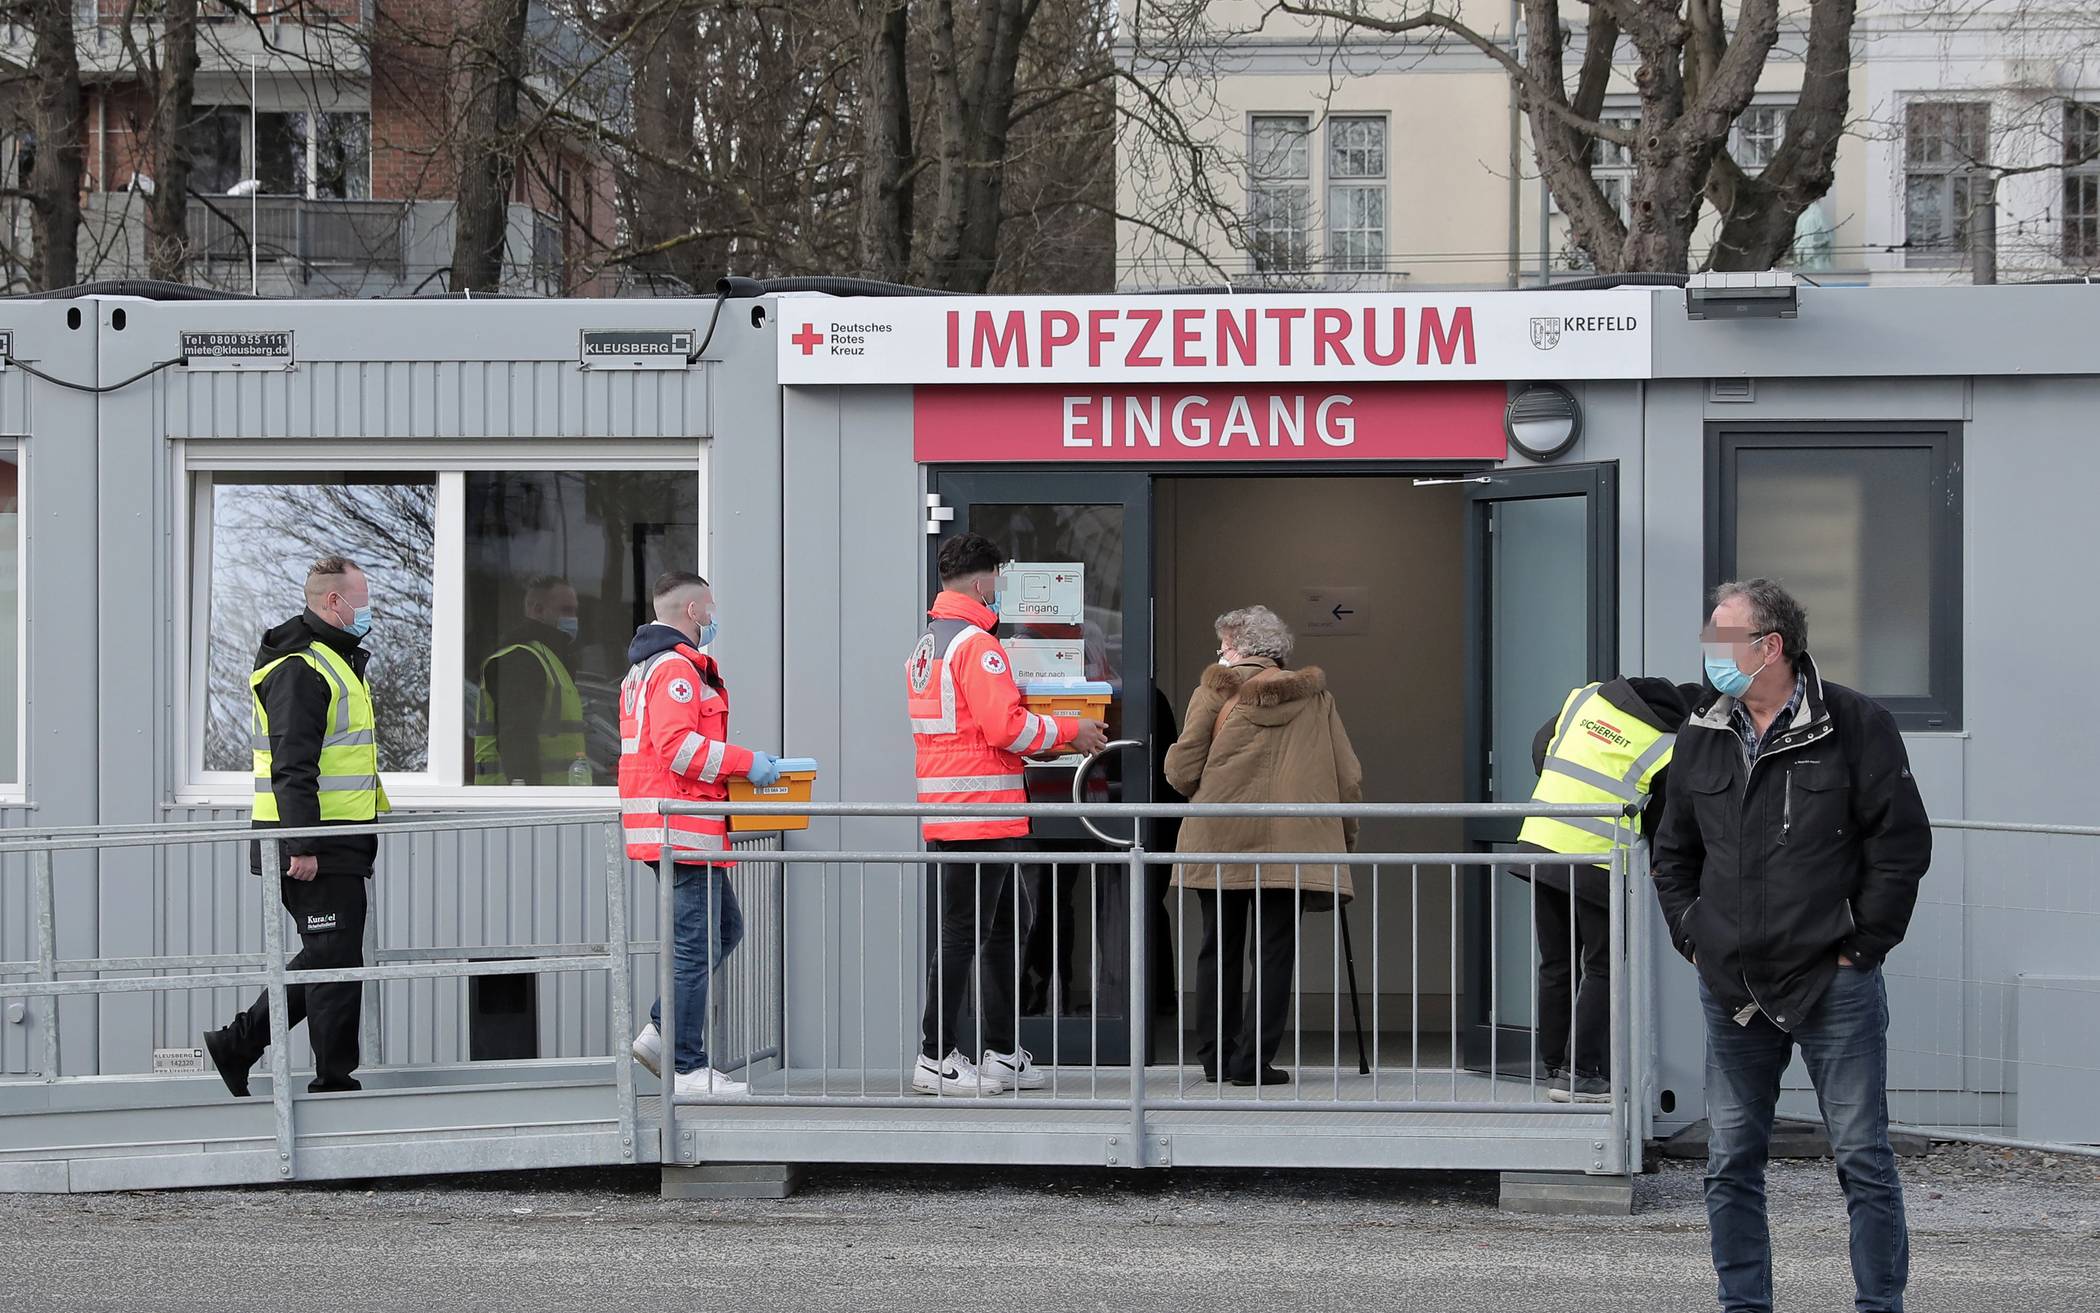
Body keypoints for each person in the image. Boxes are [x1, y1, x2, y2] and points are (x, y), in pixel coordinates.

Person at [1652, 578, 1931, 1313]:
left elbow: (1900, 844)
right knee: (1730, 1162)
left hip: (1833, 980)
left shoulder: (1855, 723)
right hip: (1734, 987)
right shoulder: (1701, 732)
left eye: (1723, 636)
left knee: (1865, 1159)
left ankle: (1880, 1303)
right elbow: (1672, 852)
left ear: (1769, 646)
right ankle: (1744, 1304)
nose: (1710, 651)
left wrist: (1862, 943)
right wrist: (1695, 935)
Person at [907, 532, 1108, 1096]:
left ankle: (997, 1051)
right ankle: (935, 1056)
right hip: (980, 812)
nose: (1001, 591)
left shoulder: (930, 644)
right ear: (981, 581)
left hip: (957, 810)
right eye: (997, 580)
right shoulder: (977, 645)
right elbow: (1007, 728)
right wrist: (1073, 731)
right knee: (966, 935)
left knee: (997, 931)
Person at [203, 556, 389, 1097]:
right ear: (335, 601)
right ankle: (333, 1085)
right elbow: (292, 765)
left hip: (338, 842)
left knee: (330, 958)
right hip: (314, 847)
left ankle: (238, 1044)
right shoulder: (301, 668)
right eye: (362, 596)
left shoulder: (332, 660)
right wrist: (302, 845)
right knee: (333, 963)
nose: (367, 607)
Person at [1164, 605, 1361, 1086]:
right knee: (1275, 952)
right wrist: (1345, 837)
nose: (1219, 653)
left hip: (1219, 839)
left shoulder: (1212, 693)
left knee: (1219, 947)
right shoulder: (1318, 700)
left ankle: (1215, 1059)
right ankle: (1253, 1063)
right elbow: (1348, 778)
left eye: (1223, 645)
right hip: (1294, 844)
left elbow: (1180, 770)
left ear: (1237, 647)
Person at [619, 572, 783, 1102]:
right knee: (695, 947)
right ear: (692, 611)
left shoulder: (646, 669)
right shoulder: (674, 670)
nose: (714, 616)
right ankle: (687, 1068)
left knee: (724, 930)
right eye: (710, 607)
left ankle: (662, 1032)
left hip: (676, 828)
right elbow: (678, 749)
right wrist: (747, 764)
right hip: (681, 828)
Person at [1514, 676, 1695, 1103]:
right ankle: (1581, 1073)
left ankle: (1556, 1067)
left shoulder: (1587, 698)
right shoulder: (1669, 743)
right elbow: (1664, 818)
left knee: (1556, 962)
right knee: (1603, 965)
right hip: (1599, 859)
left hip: (1543, 842)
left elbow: (1541, 748)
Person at [472, 574, 589, 786]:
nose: (573, 618)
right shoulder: (520, 659)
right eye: (565, 610)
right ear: (537, 610)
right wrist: (530, 799)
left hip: (553, 804)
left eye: (574, 611)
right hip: (518, 808)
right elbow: (517, 739)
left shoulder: (548, 657)